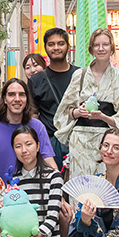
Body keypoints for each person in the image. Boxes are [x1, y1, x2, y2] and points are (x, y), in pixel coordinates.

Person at [55, 29, 119, 179]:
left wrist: (104, 117)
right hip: (80, 140)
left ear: (112, 48)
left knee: (105, 187)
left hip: (107, 141)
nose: (101, 48)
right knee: (79, 187)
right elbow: (63, 112)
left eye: (105, 44)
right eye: (97, 45)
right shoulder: (80, 75)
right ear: (91, 49)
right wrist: (78, 112)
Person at [2, 124, 64, 237]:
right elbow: (9, 215)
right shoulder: (13, 181)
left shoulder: (54, 176)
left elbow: (52, 217)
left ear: (38, 146)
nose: (24, 150)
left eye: (28, 144)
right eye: (18, 146)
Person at [0, 78, 57, 178]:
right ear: (4, 99)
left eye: (22, 94)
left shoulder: (38, 126)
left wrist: (57, 182)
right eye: (11, 94)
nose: (17, 99)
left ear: (27, 98)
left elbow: (48, 160)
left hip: (31, 190)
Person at [29, 28, 80, 162]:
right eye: (51, 44)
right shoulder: (36, 80)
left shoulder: (80, 75)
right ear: (45, 48)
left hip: (78, 142)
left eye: (61, 43)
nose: (56, 48)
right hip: (50, 144)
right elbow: (33, 117)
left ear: (68, 46)